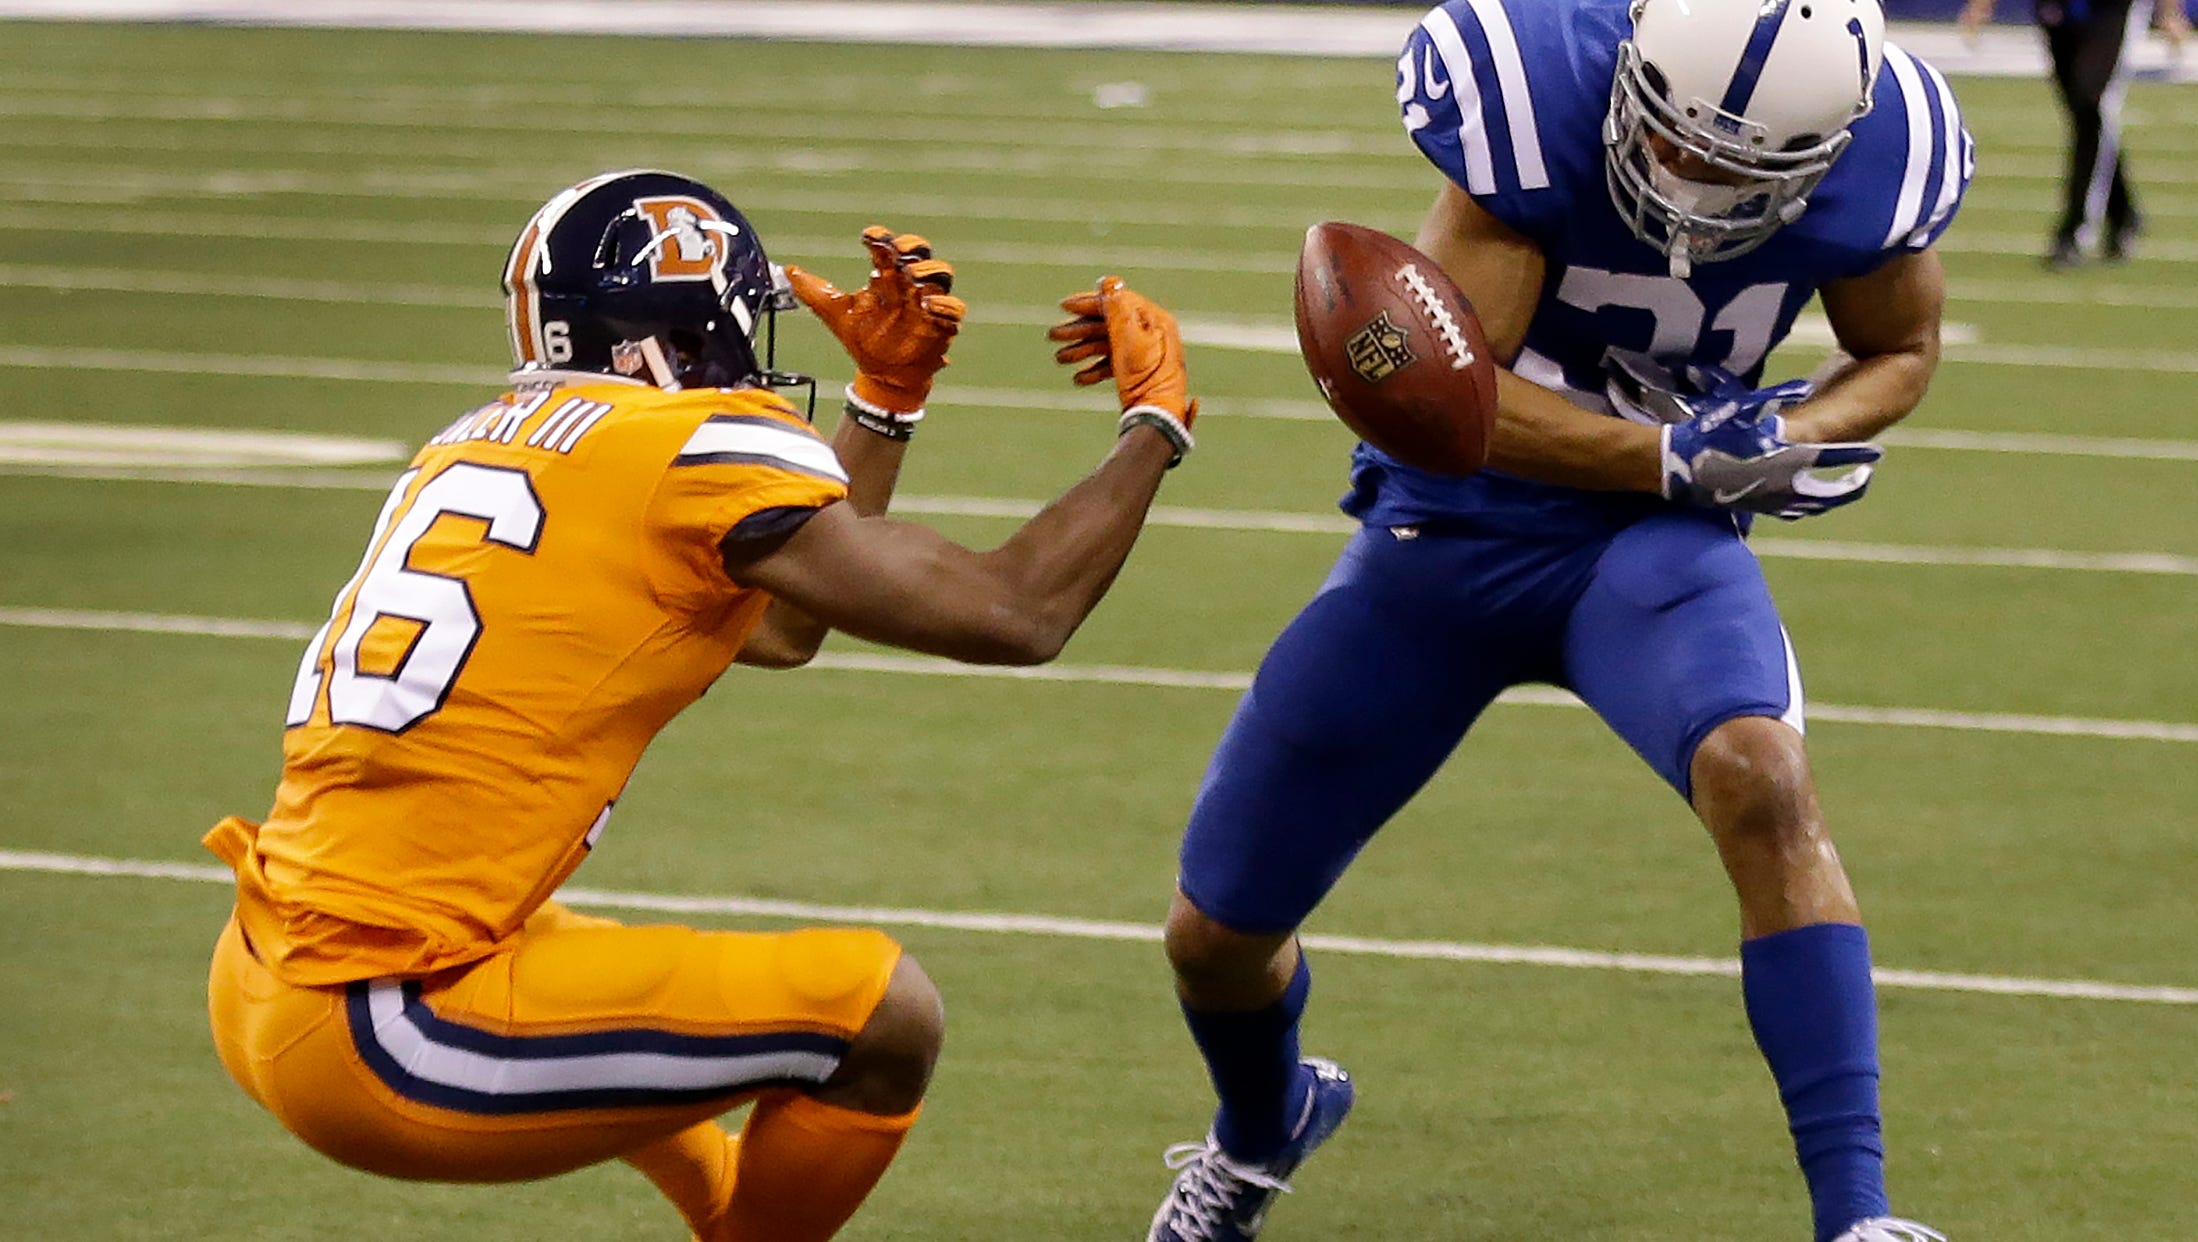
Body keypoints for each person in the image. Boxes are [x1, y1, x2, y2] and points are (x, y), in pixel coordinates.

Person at [202, 168, 1199, 1242]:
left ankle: (732, 1208)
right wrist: (1153, 428)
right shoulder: (684, 447)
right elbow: (1018, 612)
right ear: (676, 334)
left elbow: (779, 627)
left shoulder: (484, 438)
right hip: (387, 1025)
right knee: (882, 1012)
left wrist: (885, 402)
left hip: (263, 964)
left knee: (625, 997)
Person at [1145, 1, 1970, 1240]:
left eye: (1741, 167)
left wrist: (1783, 435)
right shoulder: (1533, 97)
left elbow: (1899, 347)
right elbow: (1447, 402)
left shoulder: (1883, 146)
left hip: (1651, 547)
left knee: (1761, 775)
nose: (1690, 179)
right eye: (1674, 137)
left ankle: (1857, 1217)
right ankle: (1262, 1130)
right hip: (1451, 532)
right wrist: (1675, 460)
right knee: (1213, 935)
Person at [1963, 0, 2187, 266]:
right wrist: (1981, 5)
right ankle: (2123, 211)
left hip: (2110, 8)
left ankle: (2076, 229)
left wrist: (2169, 11)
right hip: (2059, 8)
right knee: (2083, 114)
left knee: (2092, 103)